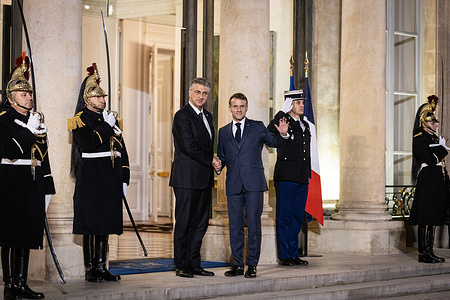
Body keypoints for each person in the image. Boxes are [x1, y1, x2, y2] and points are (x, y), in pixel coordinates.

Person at [68, 63, 130, 282]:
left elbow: (121, 149)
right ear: (87, 100)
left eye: (103, 97)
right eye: (98, 97)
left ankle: (102, 267)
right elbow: (89, 144)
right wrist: (106, 125)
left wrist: (125, 177)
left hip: (110, 179)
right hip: (91, 179)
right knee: (91, 224)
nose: (103, 100)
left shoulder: (111, 119)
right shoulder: (80, 120)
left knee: (105, 224)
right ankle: (90, 268)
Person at [0, 54, 55, 299]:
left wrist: (48, 187)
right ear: (11, 99)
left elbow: (43, 157)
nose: (29, 97)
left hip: (32, 183)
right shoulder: (4, 120)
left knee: (26, 234)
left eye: (30, 94)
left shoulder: (34, 120)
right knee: (10, 235)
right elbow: (11, 152)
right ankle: (10, 285)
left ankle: (21, 283)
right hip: (10, 183)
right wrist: (29, 132)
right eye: (24, 94)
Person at [217, 92, 288, 278]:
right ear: (230, 108)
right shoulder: (223, 132)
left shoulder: (257, 127)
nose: (238, 109)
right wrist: (218, 166)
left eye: (242, 106)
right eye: (235, 106)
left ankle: (252, 265)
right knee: (235, 226)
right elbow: (222, 157)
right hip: (233, 184)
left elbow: (272, 143)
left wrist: (282, 134)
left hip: (254, 184)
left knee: (254, 226)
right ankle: (238, 265)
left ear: (246, 108)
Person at [169, 77, 219, 278]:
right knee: (184, 223)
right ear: (190, 93)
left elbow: (207, 145)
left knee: (200, 223)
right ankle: (181, 264)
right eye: (197, 92)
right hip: (186, 179)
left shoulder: (208, 116)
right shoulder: (182, 116)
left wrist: (214, 161)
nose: (201, 96)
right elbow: (188, 146)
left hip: (204, 179)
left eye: (204, 93)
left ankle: (194, 263)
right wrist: (212, 160)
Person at [267, 90, 310, 267]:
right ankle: (284, 255)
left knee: (296, 217)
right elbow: (269, 131)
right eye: (297, 102)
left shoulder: (305, 125)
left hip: (301, 177)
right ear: (289, 104)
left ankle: (293, 253)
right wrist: (281, 111)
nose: (301, 105)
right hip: (286, 177)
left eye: (302, 102)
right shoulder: (283, 121)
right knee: (284, 216)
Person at [410, 95, 449, 263]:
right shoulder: (419, 138)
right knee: (425, 218)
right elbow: (432, 160)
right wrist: (442, 149)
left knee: (433, 218)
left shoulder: (433, 138)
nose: (435, 125)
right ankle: (423, 253)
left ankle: (430, 250)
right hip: (427, 180)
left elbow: (439, 162)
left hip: (437, 180)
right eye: (433, 123)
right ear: (424, 123)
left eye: (436, 123)